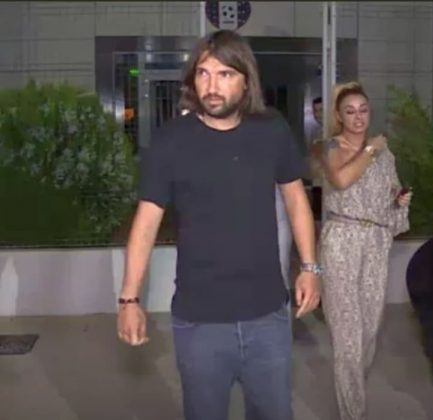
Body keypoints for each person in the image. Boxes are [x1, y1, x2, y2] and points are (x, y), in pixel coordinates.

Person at [116, 30, 321, 420]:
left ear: (246, 81)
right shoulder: (171, 141)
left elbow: (296, 200)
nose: (212, 86)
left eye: (225, 74)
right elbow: (146, 223)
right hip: (200, 321)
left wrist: (311, 267)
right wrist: (129, 299)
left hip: (267, 316)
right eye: (204, 73)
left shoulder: (272, 129)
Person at [318, 81, 412, 420]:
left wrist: (399, 201)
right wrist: (370, 149)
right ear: (339, 116)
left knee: (370, 329)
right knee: (347, 336)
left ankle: (352, 395)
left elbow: (391, 196)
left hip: (375, 242)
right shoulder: (327, 147)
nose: (358, 117)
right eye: (350, 111)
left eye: (363, 110)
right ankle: (353, 413)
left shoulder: (386, 155)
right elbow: (341, 180)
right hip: (342, 240)